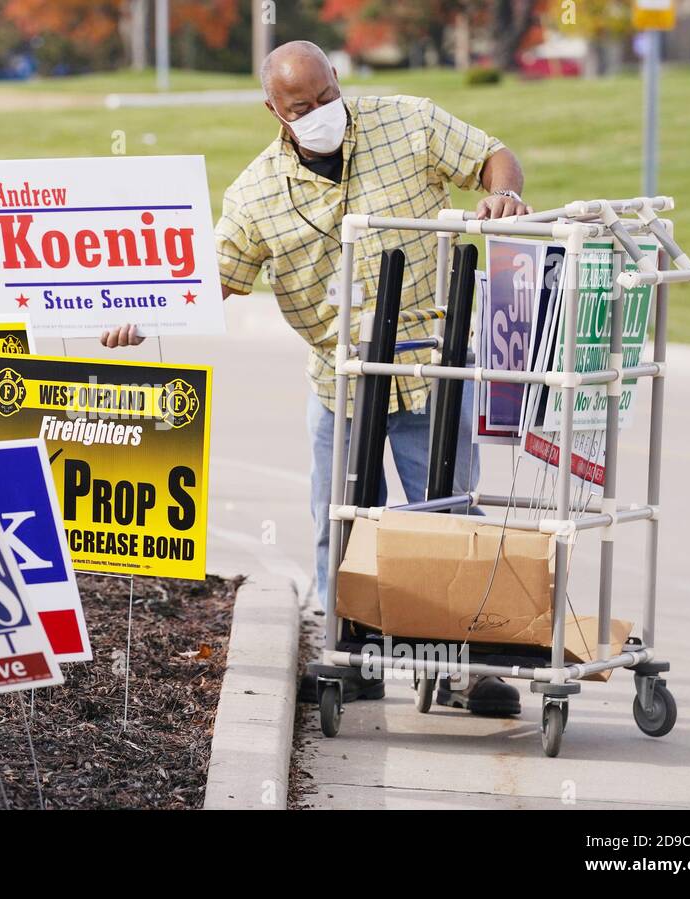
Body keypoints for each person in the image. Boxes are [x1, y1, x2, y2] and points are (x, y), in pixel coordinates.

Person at [100, 41, 533, 716]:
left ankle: (465, 671)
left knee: (448, 519)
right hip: (341, 382)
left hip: (430, 372)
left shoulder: (408, 121)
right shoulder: (255, 194)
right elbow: (213, 279)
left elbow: (492, 156)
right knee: (343, 524)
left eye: (327, 97)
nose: (320, 114)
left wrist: (504, 192)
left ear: (338, 81)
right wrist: (141, 315)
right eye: (301, 107)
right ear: (273, 109)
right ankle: (353, 660)